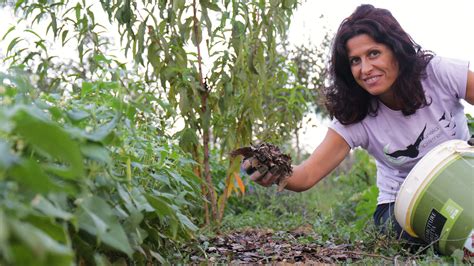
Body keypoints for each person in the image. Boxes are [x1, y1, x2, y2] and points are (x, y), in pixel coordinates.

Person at [242, 4, 474, 246]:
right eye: (355, 60)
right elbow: (306, 175)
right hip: (404, 206)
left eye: (374, 53)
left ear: (396, 50)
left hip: (463, 179)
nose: (365, 69)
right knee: (454, 230)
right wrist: (270, 169)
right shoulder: (356, 116)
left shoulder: (436, 73)